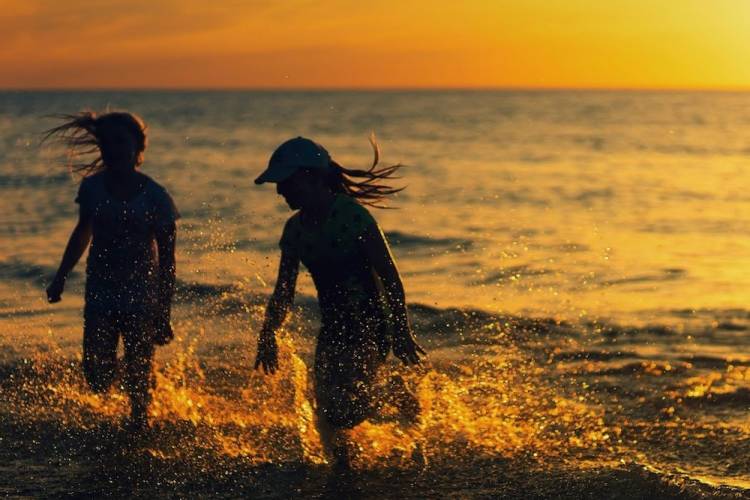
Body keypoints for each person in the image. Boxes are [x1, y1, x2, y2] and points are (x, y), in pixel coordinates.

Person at [253, 136, 425, 468]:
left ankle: (398, 395)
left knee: (348, 408)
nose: (279, 191)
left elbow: (389, 276)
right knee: (327, 408)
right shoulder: (294, 231)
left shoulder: (352, 217)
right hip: (333, 327)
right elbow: (283, 292)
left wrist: (402, 331)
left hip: (371, 322)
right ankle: (343, 467)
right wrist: (267, 334)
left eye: (286, 182)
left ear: (312, 177)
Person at [44, 111, 179, 432]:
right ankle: (141, 385)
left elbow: (169, 261)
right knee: (96, 374)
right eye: (107, 143)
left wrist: (163, 312)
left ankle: (139, 423)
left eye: (121, 142)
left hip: (141, 293)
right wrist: (61, 275)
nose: (114, 150)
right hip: (101, 289)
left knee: (137, 368)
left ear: (138, 146)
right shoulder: (92, 189)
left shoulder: (157, 197)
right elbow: (82, 233)